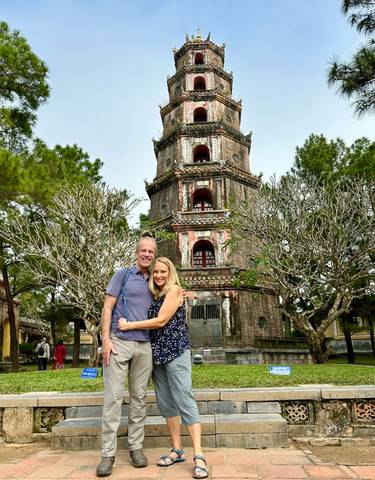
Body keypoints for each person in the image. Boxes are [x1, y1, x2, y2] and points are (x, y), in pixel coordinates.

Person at [118, 257, 209, 479]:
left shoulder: (175, 290)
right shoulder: (155, 294)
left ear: (171, 273)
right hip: (157, 356)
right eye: (156, 272)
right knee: (167, 404)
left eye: (163, 272)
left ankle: (199, 455)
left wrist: (129, 326)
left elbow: (160, 321)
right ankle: (177, 450)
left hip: (176, 352)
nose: (159, 275)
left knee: (184, 399)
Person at [96, 235, 157, 477]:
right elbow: (107, 307)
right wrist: (106, 340)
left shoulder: (155, 280)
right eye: (143, 250)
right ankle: (107, 454)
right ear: (136, 252)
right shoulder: (122, 275)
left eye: (151, 251)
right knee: (113, 397)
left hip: (144, 345)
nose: (147, 255)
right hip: (119, 342)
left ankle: (136, 447)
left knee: (139, 398)